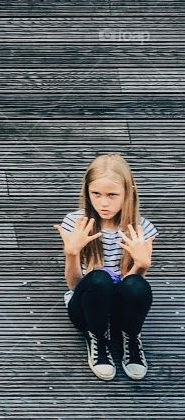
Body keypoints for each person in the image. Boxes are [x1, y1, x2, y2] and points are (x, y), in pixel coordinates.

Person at [53, 153, 157, 382]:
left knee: (138, 285)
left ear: (128, 192)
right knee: (99, 279)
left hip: (119, 310)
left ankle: (131, 335)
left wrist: (141, 265)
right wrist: (71, 253)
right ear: (87, 192)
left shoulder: (142, 229)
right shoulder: (76, 223)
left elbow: (130, 287)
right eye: (96, 194)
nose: (103, 203)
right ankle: (98, 337)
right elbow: (75, 286)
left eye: (112, 195)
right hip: (87, 308)